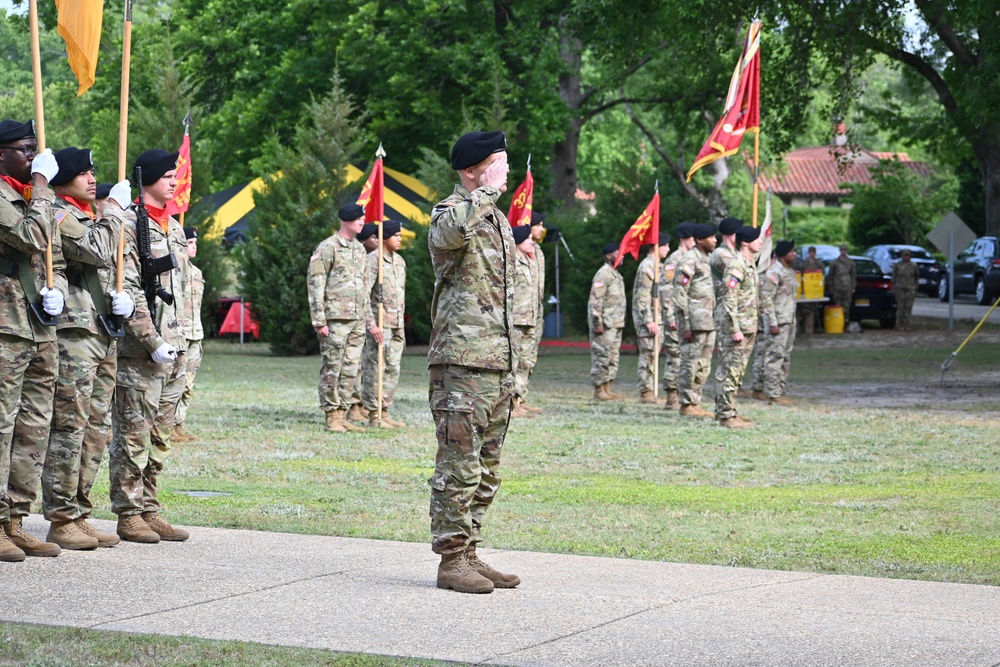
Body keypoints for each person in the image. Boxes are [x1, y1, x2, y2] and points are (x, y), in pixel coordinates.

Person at [427, 130, 519, 594]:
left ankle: (469, 552)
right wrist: (485, 191)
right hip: (461, 362)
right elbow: (448, 235)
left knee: (487, 467)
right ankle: (450, 560)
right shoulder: (451, 212)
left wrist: (515, 365)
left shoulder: (496, 219)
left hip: (496, 363)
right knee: (458, 466)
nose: (506, 170)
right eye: (497, 163)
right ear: (471, 170)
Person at [41, 147, 132, 550]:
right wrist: (114, 209)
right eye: (84, 172)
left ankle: (79, 509)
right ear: (63, 180)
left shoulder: (90, 215)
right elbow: (97, 250)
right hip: (74, 334)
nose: (92, 178)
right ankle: (60, 516)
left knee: (97, 428)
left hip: (101, 330)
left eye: (94, 171)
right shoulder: (60, 214)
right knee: (70, 427)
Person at [107, 148, 189, 544]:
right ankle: (128, 513)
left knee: (161, 435)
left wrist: (186, 340)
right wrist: (151, 339)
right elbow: (130, 288)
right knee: (133, 434)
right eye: (168, 175)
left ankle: (150, 507)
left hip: (177, 344)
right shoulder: (127, 222)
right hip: (143, 351)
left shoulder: (171, 225)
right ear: (148, 180)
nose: (174, 181)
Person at [0, 119, 63, 561]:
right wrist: (42, 183)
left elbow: (49, 251)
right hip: (5, 327)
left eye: (34, 150)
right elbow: (32, 236)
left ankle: (14, 518)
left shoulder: (26, 197)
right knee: (1, 427)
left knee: (33, 426)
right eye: (25, 149)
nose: (32, 157)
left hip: (37, 324)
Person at [307, 203, 380, 433]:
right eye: (359, 219)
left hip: (357, 319)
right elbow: (315, 284)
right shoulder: (328, 248)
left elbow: (365, 290)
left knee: (351, 368)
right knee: (333, 367)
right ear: (347, 220)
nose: (362, 222)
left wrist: (369, 322)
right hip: (336, 319)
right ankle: (331, 415)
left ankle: (343, 412)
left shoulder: (359, 249)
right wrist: (319, 320)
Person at [361, 220, 407, 428]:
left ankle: (385, 410)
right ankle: (373, 413)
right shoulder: (373, 260)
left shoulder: (399, 262)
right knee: (376, 368)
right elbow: (363, 294)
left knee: (392, 369)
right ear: (385, 237)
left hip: (396, 324)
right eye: (395, 235)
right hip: (380, 324)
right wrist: (371, 324)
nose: (399, 239)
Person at [715, 225, 762, 428]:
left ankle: (729, 410)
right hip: (738, 328)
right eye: (757, 238)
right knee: (730, 370)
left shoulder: (749, 264)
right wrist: (734, 329)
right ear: (745, 242)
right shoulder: (737, 265)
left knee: (738, 370)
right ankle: (726, 415)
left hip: (748, 325)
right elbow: (729, 299)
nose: (760, 242)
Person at [674, 223, 717, 417]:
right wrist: (685, 324)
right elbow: (679, 293)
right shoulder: (689, 260)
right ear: (699, 240)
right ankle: (685, 404)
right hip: (694, 322)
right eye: (711, 237)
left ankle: (695, 401)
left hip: (709, 320)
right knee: (689, 363)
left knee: (703, 364)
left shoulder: (709, 259)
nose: (715, 240)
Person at [753, 240, 798, 406]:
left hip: (789, 320)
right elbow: (766, 298)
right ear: (783, 254)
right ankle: (772, 393)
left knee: (785, 356)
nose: (795, 254)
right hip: (778, 322)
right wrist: (772, 322)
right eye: (792, 251)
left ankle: (781, 390)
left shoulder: (790, 271)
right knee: (774, 357)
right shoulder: (774, 272)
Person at [173, 227, 205, 441]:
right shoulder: (174, 270)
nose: (194, 246)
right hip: (179, 333)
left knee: (188, 384)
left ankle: (178, 425)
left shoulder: (196, 272)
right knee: (173, 382)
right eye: (190, 242)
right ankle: (165, 425)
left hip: (196, 334)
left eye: (195, 242)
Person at [660, 222, 695, 409]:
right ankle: (671, 396)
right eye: (691, 238)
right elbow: (666, 290)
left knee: (686, 357)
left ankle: (684, 395)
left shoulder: (691, 258)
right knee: (675, 356)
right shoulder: (674, 260)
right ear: (684, 239)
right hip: (675, 317)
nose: (694, 241)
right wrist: (670, 317)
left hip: (687, 317)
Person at [632, 233, 670, 403]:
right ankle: (646, 392)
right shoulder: (647, 267)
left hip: (657, 319)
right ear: (657, 247)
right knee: (648, 355)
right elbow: (642, 297)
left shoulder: (657, 266)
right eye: (665, 245)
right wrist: (648, 320)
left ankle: (652, 390)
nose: (668, 249)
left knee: (653, 355)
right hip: (648, 321)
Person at [589, 242, 627, 401]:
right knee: (601, 356)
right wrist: (597, 323)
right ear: (608, 255)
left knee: (612, 357)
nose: (622, 256)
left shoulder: (615, 274)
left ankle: (608, 388)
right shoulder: (603, 274)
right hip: (604, 325)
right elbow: (596, 300)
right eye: (618, 253)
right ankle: (599, 390)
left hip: (616, 323)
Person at [519, 211, 546, 414]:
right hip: (519, 316)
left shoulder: (537, 253)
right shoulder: (514, 256)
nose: (541, 229)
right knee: (516, 359)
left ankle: (521, 397)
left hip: (533, 314)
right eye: (538, 225)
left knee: (528, 359)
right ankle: (512, 402)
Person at [510, 224, 538, 417]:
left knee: (525, 363)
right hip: (515, 320)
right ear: (519, 241)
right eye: (528, 238)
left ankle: (519, 399)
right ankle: (510, 404)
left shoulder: (528, 262)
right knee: (513, 363)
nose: (532, 241)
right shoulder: (512, 262)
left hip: (529, 319)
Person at [797, 245, 824, 333]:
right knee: (804, 309)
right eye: (811, 252)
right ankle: (803, 328)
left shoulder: (819, 263)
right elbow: (799, 276)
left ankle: (812, 328)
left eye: (813, 252)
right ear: (808, 253)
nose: (812, 254)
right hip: (806, 289)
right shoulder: (804, 263)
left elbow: (822, 276)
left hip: (816, 290)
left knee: (814, 309)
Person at [828, 244, 857, 323]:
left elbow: (853, 275)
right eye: (842, 250)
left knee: (846, 305)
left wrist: (853, 286)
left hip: (847, 287)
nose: (843, 251)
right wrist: (831, 287)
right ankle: (838, 322)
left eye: (845, 250)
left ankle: (846, 321)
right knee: (837, 305)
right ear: (840, 251)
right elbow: (831, 275)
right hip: (837, 287)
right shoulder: (835, 263)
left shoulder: (851, 262)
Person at [892, 249, 920, 330]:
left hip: (910, 288)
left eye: (907, 255)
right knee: (901, 306)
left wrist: (915, 287)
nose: (906, 257)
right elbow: (894, 277)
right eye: (905, 255)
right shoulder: (898, 265)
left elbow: (916, 277)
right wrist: (894, 287)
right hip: (900, 288)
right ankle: (898, 324)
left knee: (908, 307)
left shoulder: (913, 265)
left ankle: (906, 323)